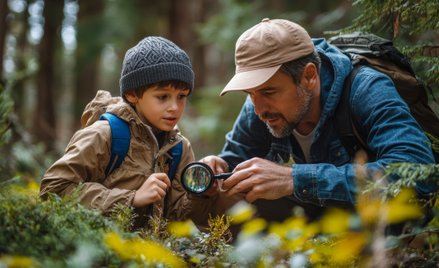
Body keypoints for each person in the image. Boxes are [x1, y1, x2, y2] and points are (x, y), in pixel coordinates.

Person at [200, 18, 437, 222]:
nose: (259, 108)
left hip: (383, 228)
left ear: (309, 76)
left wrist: (294, 178)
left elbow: (420, 172)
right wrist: (215, 169)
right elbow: (233, 166)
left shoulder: (366, 89)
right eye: (250, 94)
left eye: (269, 92)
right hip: (320, 227)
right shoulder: (259, 105)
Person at [40, 36, 216, 230]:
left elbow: (177, 219)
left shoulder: (179, 148)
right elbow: (54, 189)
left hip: (148, 258)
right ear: (132, 95)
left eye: (181, 96)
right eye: (162, 96)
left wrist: (200, 194)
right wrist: (131, 198)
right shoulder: (104, 135)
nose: (174, 107)